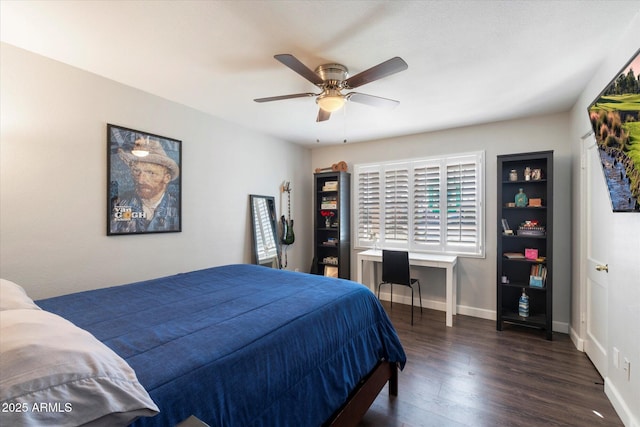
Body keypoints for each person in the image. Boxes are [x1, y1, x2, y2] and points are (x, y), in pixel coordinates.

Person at [110, 138, 180, 233]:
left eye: (151, 173)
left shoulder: (177, 207)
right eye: (136, 171)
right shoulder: (119, 204)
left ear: (166, 178)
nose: (140, 180)